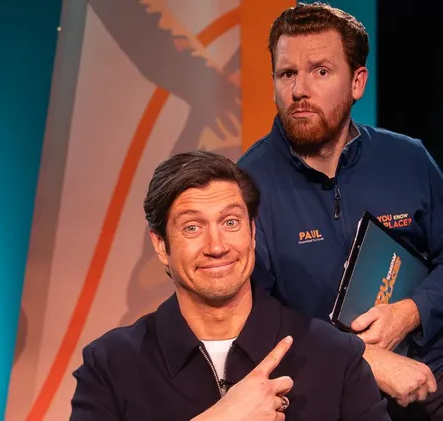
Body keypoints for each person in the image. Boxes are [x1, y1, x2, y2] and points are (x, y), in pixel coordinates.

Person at [69, 151, 391, 421]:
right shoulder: (110, 365)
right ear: (161, 245)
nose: (217, 246)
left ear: (252, 232)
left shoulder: (334, 355)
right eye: (192, 227)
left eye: (230, 222)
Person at [236, 3, 443, 420]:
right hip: (325, 395)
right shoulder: (244, 186)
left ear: (357, 82)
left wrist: (412, 312)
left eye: (320, 71)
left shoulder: (409, 159)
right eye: (287, 74)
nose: (299, 90)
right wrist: (358, 355)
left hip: (431, 375)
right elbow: (249, 319)